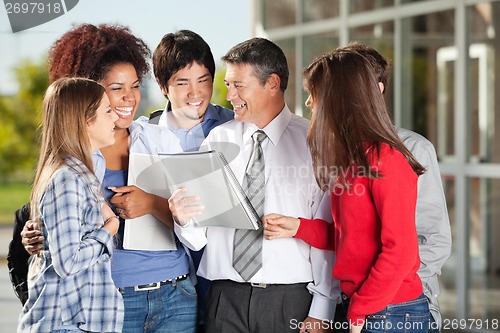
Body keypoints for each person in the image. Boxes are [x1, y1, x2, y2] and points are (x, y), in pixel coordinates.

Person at [21, 24, 197, 333]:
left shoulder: (161, 140)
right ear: (87, 93)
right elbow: (64, 239)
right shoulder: (76, 158)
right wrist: (40, 235)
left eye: (135, 85)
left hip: (174, 293)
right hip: (109, 300)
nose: (130, 98)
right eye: (116, 88)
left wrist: (153, 204)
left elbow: (198, 226)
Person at [170, 38, 338, 333]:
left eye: (238, 85)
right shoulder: (217, 141)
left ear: (272, 83)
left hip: (290, 300)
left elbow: (326, 236)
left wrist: (323, 309)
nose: (228, 94)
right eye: (227, 84)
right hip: (224, 300)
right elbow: (198, 238)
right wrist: (183, 220)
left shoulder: (314, 144)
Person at [263, 49, 431, 333]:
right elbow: (351, 237)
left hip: (389, 313)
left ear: (338, 98)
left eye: (313, 93)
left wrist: (360, 311)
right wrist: (298, 228)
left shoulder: (385, 159)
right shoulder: (351, 160)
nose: (307, 102)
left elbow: (400, 252)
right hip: (363, 306)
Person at [342, 42, 452, 331]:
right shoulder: (341, 151)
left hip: (398, 308)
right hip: (350, 301)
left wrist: (392, 290)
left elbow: (433, 239)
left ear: (376, 89)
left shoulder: (411, 149)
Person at [18, 77, 123, 332]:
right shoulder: (67, 179)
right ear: (86, 121)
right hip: (68, 325)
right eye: (107, 111)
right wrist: (109, 230)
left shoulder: (80, 175)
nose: (115, 119)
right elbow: (69, 262)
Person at [145, 30, 234, 332]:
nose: (195, 93)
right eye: (182, 83)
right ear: (163, 86)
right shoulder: (144, 134)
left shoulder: (235, 126)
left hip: (220, 270)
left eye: (204, 80)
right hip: (166, 273)